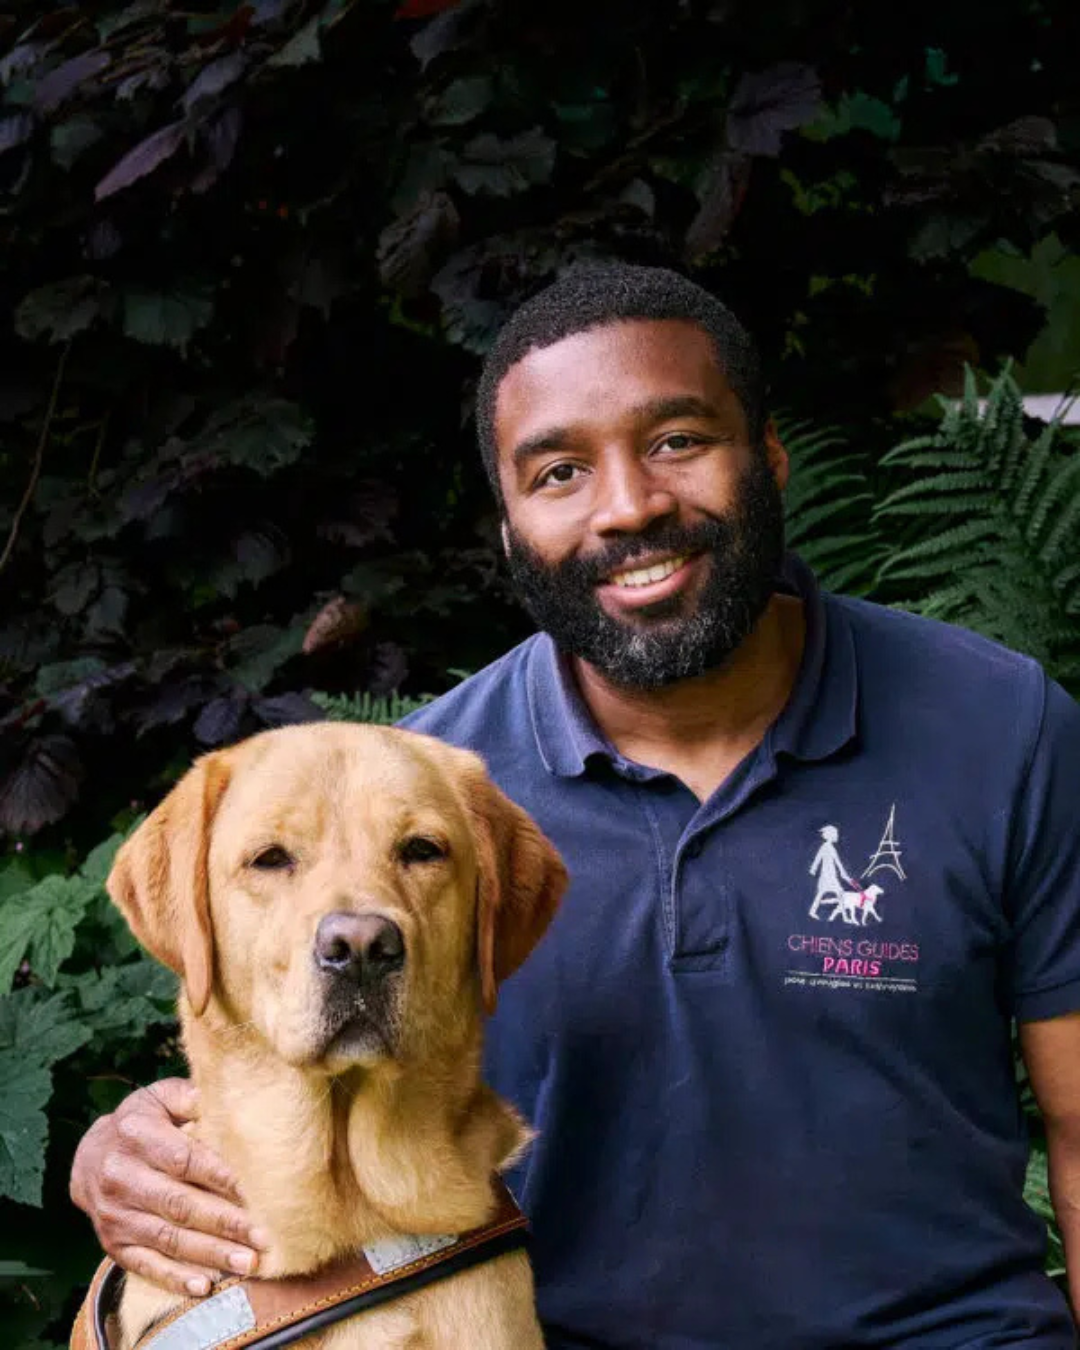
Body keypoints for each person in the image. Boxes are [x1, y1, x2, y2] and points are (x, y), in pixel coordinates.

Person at [70, 263, 1080, 1348]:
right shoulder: (422, 803)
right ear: (509, 530)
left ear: (770, 458)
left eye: (679, 441)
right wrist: (126, 1158)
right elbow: (280, 1049)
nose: (630, 505)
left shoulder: (999, 727)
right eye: (558, 472)